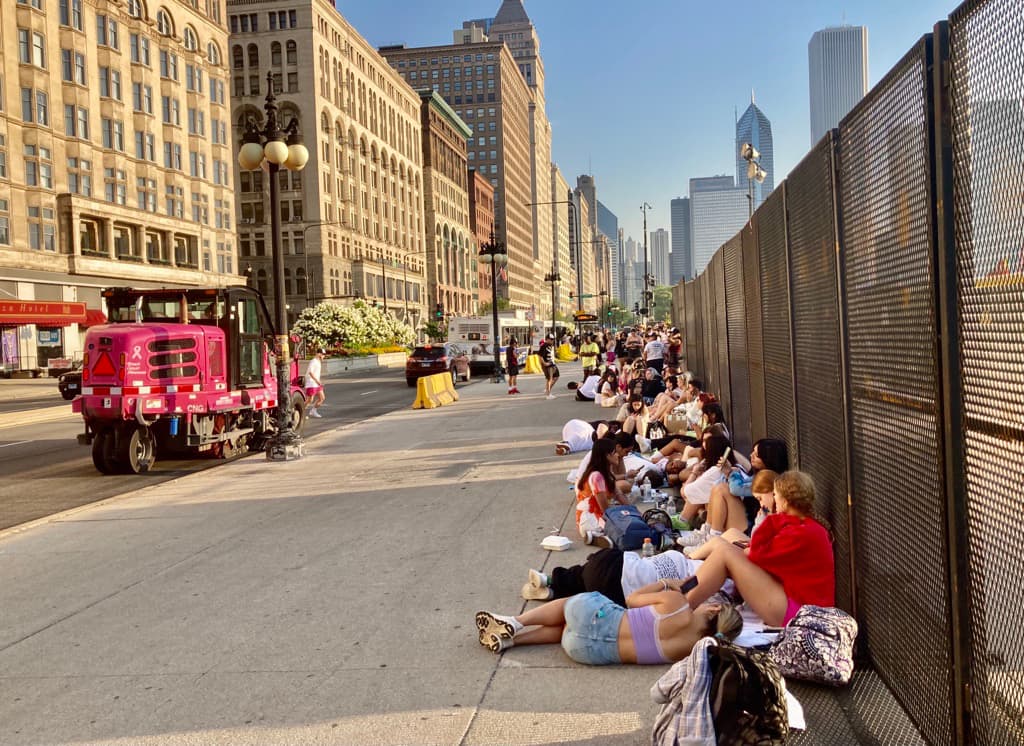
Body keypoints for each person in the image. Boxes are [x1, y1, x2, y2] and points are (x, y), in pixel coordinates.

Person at [681, 470, 835, 627]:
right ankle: (684, 595)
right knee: (726, 547)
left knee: (724, 552)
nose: (774, 499)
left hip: (799, 614)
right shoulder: (805, 525)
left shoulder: (799, 531)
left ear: (786, 501)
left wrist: (772, 519)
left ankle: (681, 609)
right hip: (798, 604)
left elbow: (756, 553)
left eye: (775, 495)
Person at [474, 588, 743, 662]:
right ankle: (511, 640)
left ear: (715, 608)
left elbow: (632, 598)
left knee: (573, 603)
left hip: (595, 617)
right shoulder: (694, 651)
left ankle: (515, 622)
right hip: (583, 651)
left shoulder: (679, 604)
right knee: (565, 629)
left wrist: (664, 586)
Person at [521, 548, 700, 605]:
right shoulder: (699, 580)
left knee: (584, 572)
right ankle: (553, 592)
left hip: (617, 572)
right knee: (586, 584)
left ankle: (550, 581)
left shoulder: (697, 573)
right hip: (616, 593)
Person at [574, 438, 621, 547]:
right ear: (607, 456)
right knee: (619, 533)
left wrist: (634, 513)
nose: (618, 455)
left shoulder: (607, 473)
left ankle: (597, 536)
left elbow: (619, 496)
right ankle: (594, 536)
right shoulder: (597, 476)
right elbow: (605, 509)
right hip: (590, 518)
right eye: (615, 453)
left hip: (597, 516)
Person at [304, 348, 326, 418]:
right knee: (310, 400)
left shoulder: (318, 361)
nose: (323, 356)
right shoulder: (313, 361)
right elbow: (310, 372)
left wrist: (318, 381)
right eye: (322, 354)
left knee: (322, 398)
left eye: (324, 355)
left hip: (317, 383)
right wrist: (317, 380)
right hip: (311, 383)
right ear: (318, 354)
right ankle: (301, 412)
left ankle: (313, 411)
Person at [539, 334, 559, 399]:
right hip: (548, 365)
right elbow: (540, 356)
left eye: (553, 339)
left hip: (552, 363)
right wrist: (544, 364)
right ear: (547, 339)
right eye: (551, 339)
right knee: (549, 379)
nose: (552, 341)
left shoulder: (550, 345)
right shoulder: (544, 346)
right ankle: (548, 394)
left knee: (556, 377)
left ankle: (547, 389)